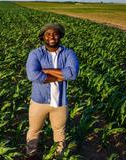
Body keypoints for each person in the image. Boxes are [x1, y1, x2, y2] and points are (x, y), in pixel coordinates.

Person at [25, 23, 79, 159]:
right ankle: (30, 155)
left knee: (60, 133)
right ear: (43, 37)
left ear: (60, 36)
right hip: (39, 101)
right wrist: (61, 75)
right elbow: (32, 75)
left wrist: (45, 71)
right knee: (34, 130)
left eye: (55, 33)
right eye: (48, 34)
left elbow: (72, 74)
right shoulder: (35, 54)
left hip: (60, 102)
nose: (52, 37)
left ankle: (59, 156)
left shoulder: (69, 53)